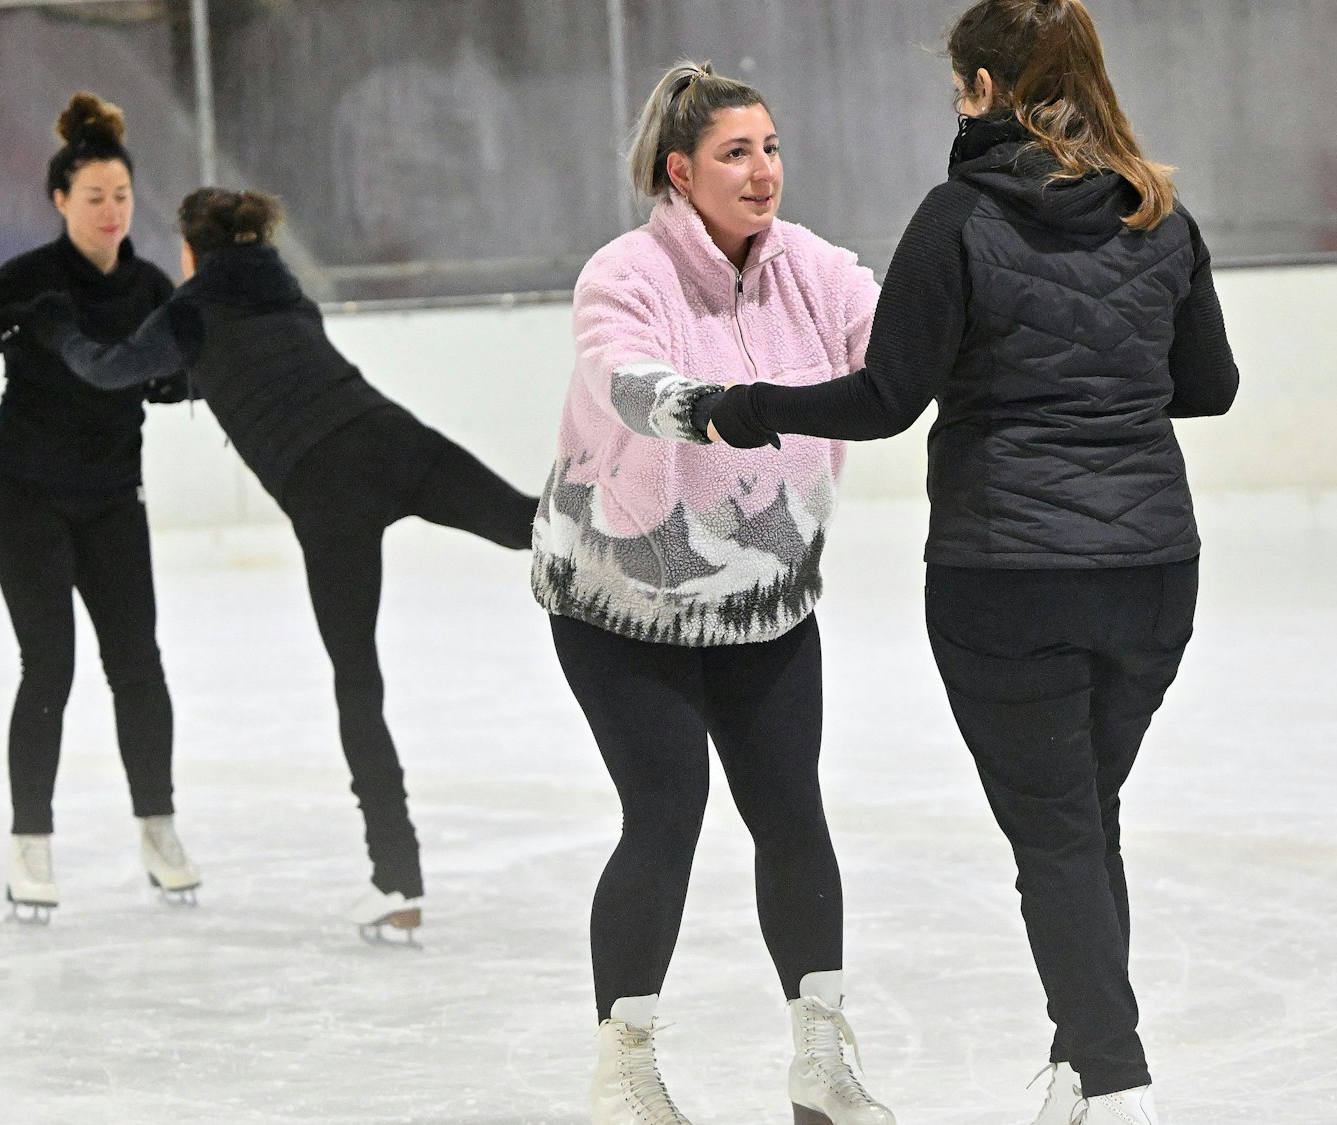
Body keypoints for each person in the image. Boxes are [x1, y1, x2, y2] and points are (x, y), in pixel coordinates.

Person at [701, 3, 1240, 1122]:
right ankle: (1080, 1068)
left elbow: (886, 398)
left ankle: (1118, 1084)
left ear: (985, 90)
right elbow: (1208, 387)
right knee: (1080, 820)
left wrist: (744, 408)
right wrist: (1104, 386)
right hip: (1150, 570)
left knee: (1058, 831)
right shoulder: (1158, 211)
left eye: (959, 83)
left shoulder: (958, 217)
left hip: (1009, 576)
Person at [4, 187, 539, 943]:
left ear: (191, 253)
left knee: (359, 684)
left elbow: (104, 369)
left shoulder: (188, 313)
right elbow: (256, 364)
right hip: (390, 437)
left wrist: (57, 326)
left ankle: (397, 877)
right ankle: (656, 535)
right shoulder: (290, 297)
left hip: (327, 491)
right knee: (527, 523)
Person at [528, 62, 893, 1125]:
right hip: (619, 600)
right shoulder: (625, 272)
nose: (762, 170)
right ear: (680, 171)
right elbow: (623, 377)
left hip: (761, 598)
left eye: (770, 148)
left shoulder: (812, 270)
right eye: (736, 152)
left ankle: (819, 1060)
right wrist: (712, 408)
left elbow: (898, 347)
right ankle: (623, 1068)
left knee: (791, 814)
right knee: (666, 811)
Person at [0, 93, 196, 923]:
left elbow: (185, 370)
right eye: (93, 197)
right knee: (49, 664)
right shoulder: (33, 274)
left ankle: (158, 828)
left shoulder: (150, 286)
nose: (111, 211)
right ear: (60, 200)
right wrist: (19, 321)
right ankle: (30, 843)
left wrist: (172, 381)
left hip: (112, 493)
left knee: (138, 662)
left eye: (121, 195)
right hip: (23, 489)